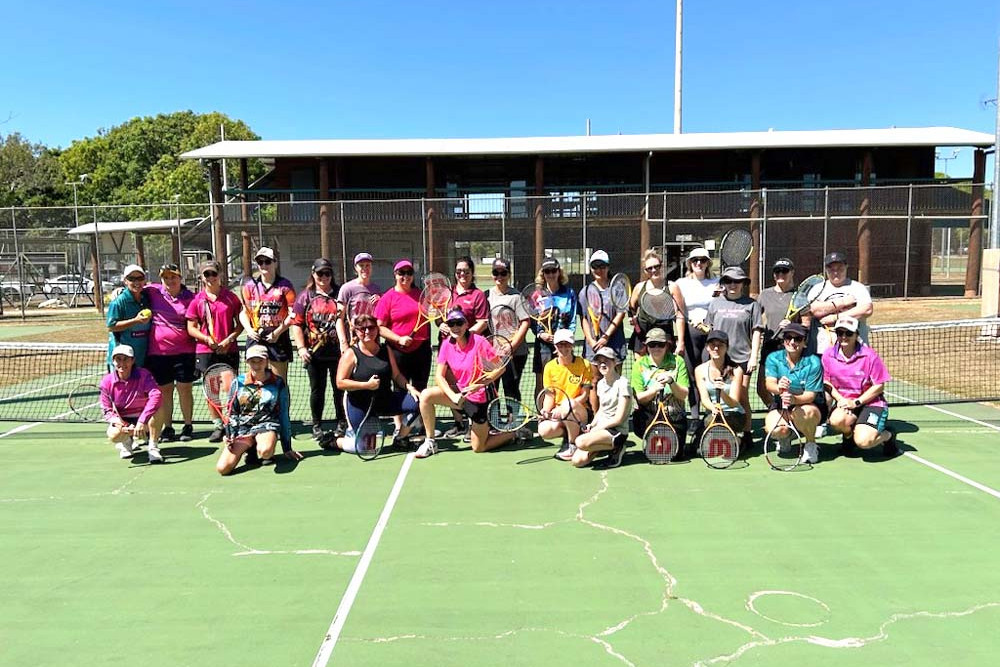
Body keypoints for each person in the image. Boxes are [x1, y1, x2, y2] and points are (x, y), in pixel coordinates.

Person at [415, 309, 522, 458]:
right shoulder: (446, 344)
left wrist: (484, 382)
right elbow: (439, 376)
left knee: (479, 447)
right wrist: (453, 396)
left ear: (466, 324)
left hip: (480, 397)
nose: (455, 327)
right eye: (451, 324)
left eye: (459, 323)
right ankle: (430, 441)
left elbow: (500, 368)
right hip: (460, 394)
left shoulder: (479, 342)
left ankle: (513, 433)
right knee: (426, 395)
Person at [335, 313, 421, 453]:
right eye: (362, 329)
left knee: (419, 402)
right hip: (360, 404)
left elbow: (397, 375)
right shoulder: (351, 353)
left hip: (384, 400)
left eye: (371, 327)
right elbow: (340, 382)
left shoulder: (385, 350)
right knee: (365, 448)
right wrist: (366, 385)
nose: (367, 332)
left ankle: (400, 439)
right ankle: (335, 441)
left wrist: (410, 388)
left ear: (377, 329)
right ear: (356, 331)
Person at [215, 345, 302, 475]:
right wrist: (230, 435)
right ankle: (251, 447)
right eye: (252, 361)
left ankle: (260, 447)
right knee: (223, 469)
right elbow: (232, 412)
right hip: (243, 428)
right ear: (247, 362)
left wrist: (287, 447)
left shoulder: (278, 383)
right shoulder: (238, 382)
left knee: (265, 452)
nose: (256, 364)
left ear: (267, 360)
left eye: (260, 360)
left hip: (266, 425)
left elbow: (283, 414)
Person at [821, 315, 898, 457]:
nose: (844, 337)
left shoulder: (869, 356)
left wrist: (856, 402)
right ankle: (849, 437)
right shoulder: (828, 355)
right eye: (840, 333)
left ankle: (888, 436)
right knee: (836, 421)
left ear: (856, 334)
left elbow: (879, 386)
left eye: (848, 333)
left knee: (864, 442)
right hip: (846, 403)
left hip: (871, 403)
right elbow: (827, 382)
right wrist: (841, 400)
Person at [186, 260, 244, 443]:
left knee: (230, 387)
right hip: (205, 351)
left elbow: (241, 323)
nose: (210, 278)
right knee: (212, 390)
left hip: (229, 350)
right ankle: (219, 425)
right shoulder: (197, 301)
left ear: (220, 275)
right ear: (202, 277)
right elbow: (191, 328)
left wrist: (229, 339)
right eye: (206, 274)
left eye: (213, 274)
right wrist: (206, 339)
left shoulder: (231, 298)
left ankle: (232, 422)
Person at [704, 266, 762, 447]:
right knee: (719, 394)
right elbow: (710, 328)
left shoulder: (752, 305)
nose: (732, 285)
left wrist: (753, 357)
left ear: (743, 283)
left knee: (742, 397)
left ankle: (746, 434)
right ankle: (725, 432)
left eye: (737, 281)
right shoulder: (715, 304)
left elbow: (757, 332)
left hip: (742, 358)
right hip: (719, 359)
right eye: (728, 281)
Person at [291, 258, 347, 441]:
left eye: (327, 273)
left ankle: (342, 422)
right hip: (315, 354)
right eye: (320, 273)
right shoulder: (305, 296)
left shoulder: (340, 294)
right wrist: (301, 348)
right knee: (317, 390)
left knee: (340, 389)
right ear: (313, 274)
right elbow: (297, 324)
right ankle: (317, 425)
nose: (324, 277)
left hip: (338, 354)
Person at [438, 256, 490, 439]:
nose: (462, 274)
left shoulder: (478, 295)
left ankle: (471, 423)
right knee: (451, 383)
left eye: (466, 271)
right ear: (455, 273)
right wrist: (442, 325)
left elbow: (483, 322)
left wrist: (463, 336)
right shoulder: (447, 295)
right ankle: (458, 423)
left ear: (472, 273)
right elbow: (439, 316)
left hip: (469, 349)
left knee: (467, 383)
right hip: (447, 348)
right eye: (459, 271)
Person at [144, 263, 196, 443]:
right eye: (166, 277)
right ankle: (168, 427)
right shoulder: (153, 291)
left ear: (180, 278)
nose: (170, 280)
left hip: (185, 352)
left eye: (173, 277)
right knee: (164, 391)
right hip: (158, 354)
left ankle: (188, 425)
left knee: (184, 389)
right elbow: (132, 289)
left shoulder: (190, 298)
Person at [763, 323, 826, 464]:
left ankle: (810, 445)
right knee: (773, 429)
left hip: (809, 406)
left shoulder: (813, 362)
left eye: (797, 339)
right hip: (782, 406)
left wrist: (793, 399)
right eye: (788, 337)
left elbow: (810, 396)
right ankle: (786, 437)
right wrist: (779, 388)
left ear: (804, 342)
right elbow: (769, 384)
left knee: (805, 413)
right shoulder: (773, 358)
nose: (792, 342)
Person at [675, 247, 720, 437]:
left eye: (702, 260)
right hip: (689, 335)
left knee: (708, 375)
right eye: (695, 261)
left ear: (708, 262)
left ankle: (712, 414)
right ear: (690, 264)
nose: (699, 263)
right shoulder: (681, 283)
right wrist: (680, 340)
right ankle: (694, 417)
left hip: (710, 335)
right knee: (692, 376)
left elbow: (720, 306)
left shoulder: (716, 282)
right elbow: (678, 312)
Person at [375, 258, 434, 396]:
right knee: (400, 389)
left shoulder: (421, 295)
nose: (406, 276)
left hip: (421, 350)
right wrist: (398, 339)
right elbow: (379, 327)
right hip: (397, 352)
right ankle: (399, 419)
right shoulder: (387, 298)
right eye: (402, 273)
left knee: (421, 389)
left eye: (409, 273)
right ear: (395, 275)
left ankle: (419, 417)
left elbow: (431, 314)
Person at [629, 327, 690, 459]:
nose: (656, 348)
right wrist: (654, 389)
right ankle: (653, 436)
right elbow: (639, 398)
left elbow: (684, 394)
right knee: (658, 452)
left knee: (675, 456)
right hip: (649, 415)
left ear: (667, 345)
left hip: (674, 415)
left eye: (660, 344)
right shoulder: (639, 364)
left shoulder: (678, 361)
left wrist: (671, 382)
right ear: (646, 346)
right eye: (652, 344)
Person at [240, 246, 296, 379]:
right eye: (260, 262)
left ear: (275, 263)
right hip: (256, 338)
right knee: (256, 381)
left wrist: (276, 333)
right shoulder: (249, 286)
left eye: (268, 261)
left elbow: (292, 314)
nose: (264, 265)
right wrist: (249, 330)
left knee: (279, 382)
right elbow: (244, 312)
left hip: (278, 338)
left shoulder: (285, 285)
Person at [100, 344, 163, 462]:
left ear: (133, 360)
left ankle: (153, 448)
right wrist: (120, 424)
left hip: (144, 418)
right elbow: (107, 410)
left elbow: (156, 395)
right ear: (113, 361)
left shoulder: (144, 375)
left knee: (159, 409)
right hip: (123, 419)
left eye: (126, 359)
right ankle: (127, 443)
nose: (122, 363)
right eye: (118, 359)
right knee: (113, 434)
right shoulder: (106, 381)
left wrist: (142, 421)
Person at [572, 347, 632, 468]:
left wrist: (598, 429)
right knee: (577, 461)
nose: (603, 364)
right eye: (600, 361)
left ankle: (618, 447)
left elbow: (618, 419)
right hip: (602, 429)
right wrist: (592, 425)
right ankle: (603, 446)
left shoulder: (623, 384)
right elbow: (601, 410)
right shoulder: (600, 384)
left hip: (617, 431)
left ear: (615, 362)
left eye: (607, 360)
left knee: (580, 442)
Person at [807, 251, 873, 356]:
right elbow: (813, 310)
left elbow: (867, 310)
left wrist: (834, 317)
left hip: (855, 351)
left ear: (846, 267)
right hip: (823, 351)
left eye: (839, 269)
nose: (836, 272)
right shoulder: (818, 289)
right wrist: (843, 302)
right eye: (831, 269)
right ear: (826, 270)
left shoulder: (857, 288)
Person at [541, 328, 593, 461]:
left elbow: (584, 396)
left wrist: (566, 406)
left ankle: (572, 445)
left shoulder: (584, 364)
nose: (563, 348)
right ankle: (573, 433)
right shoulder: (549, 367)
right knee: (544, 430)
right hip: (560, 413)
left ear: (572, 345)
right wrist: (546, 411)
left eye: (567, 344)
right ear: (555, 346)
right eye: (560, 344)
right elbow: (549, 395)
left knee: (568, 405)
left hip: (580, 411)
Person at [531, 256, 577, 399]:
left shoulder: (569, 293)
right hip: (543, 345)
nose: (550, 274)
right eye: (547, 271)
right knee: (542, 383)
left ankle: (561, 415)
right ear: (543, 274)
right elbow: (533, 322)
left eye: (553, 271)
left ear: (559, 272)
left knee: (563, 379)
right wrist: (541, 334)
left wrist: (564, 340)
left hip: (563, 345)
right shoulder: (537, 295)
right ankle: (542, 416)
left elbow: (573, 319)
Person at [486, 257, 531, 402]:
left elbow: (525, 322)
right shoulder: (486, 295)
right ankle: (494, 421)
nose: (499, 276)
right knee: (491, 387)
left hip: (516, 354)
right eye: (496, 273)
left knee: (511, 388)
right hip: (493, 353)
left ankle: (513, 423)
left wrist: (511, 346)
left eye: (503, 273)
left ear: (509, 274)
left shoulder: (516, 297)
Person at [755, 257, 799, 407]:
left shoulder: (798, 296)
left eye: (785, 271)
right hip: (770, 345)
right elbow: (754, 318)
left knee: (789, 386)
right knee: (762, 387)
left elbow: (806, 325)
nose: (781, 274)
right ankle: (774, 408)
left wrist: (792, 326)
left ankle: (790, 416)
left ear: (791, 273)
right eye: (777, 271)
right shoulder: (764, 295)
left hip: (791, 347)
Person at [629, 249, 687, 357]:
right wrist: (633, 319)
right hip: (642, 337)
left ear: (661, 266)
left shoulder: (672, 287)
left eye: (656, 266)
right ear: (645, 271)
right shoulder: (639, 288)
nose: (654, 270)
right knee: (641, 371)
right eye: (649, 268)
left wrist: (681, 342)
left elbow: (680, 315)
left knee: (665, 371)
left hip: (665, 335)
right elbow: (631, 308)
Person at [694, 330, 746, 444]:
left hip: (734, 415)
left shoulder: (737, 370)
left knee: (726, 452)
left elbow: (734, 402)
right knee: (697, 449)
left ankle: (736, 440)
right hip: (713, 414)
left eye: (720, 345)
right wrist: (713, 408)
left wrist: (721, 392)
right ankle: (725, 440)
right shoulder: (699, 370)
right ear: (707, 347)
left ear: (726, 348)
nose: (716, 348)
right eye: (712, 345)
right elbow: (705, 399)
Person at [106, 264, 152, 368]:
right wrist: (136, 320)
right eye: (132, 279)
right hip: (123, 359)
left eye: (140, 278)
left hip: (142, 357)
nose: (136, 282)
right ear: (125, 281)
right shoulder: (118, 302)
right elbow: (111, 326)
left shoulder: (146, 298)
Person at [337, 251, 383, 350]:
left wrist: (381, 302)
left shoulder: (376, 289)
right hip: (353, 339)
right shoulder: (347, 288)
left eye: (367, 265)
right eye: (361, 265)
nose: (365, 269)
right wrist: (343, 342)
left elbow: (380, 316)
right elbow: (339, 318)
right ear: (356, 268)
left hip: (372, 338)